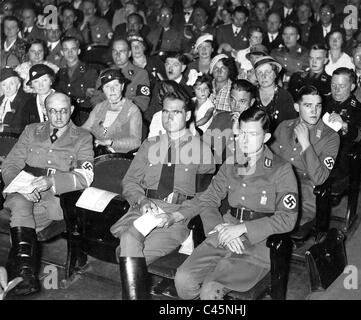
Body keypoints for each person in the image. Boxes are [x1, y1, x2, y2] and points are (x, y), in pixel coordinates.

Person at [174, 106, 298, 300]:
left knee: (210, 289)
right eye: (242, 133)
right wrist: (221, 228)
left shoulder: (281, 169)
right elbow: (208, 199)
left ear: (265, 137)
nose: (245, 140)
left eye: (253, 134)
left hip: (258, 244)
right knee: (183, 279)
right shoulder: (232, 163)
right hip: (224, 233)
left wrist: (242, 229)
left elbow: (287, 218)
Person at [109, 89, 215, 300]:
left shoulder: (202, 151)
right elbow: (130, 181)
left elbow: (205, 197)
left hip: (175, 218)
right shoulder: (150, 145)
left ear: (187, 116)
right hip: (142, 211)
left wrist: (176, 216)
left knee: (126, 252)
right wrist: (142, 199)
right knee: (130, 249)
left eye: (175, 112)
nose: (169, 117)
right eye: (165, 112)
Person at [1, 92, 94, 296]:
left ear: (71, 110)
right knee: (20, 203)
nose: (58, 116)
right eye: (53, 111)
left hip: (56, 199)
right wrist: (21, 186)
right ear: (45, 111)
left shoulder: (83, 137)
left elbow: (85, 176)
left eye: (63, 111)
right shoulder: (31, 130)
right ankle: (25, 275)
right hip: (23, 190)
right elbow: (10, 164)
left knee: (20, 214)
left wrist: (51, 181)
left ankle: (19, 272)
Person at [272, 85, 340, 227]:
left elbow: (319, 178)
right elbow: (269, 160)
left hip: (303, 194)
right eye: (308, 106)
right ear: (297, 107)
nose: (314, 111)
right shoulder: (284, 126)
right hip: (275, 187)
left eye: (318, 106)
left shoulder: (330, 136)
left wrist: (306, 144)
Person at [324, 67, 361, 191]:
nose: (336, 90)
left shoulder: (360, 111)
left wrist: (345, 125)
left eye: (341, 86)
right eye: (333, 85)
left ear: (352, 87)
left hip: (339, 159)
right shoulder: (322, 103)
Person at [82, 68, 142, 155]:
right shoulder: (99, 107)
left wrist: (110, 142)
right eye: (107, 86)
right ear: (103, 89)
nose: (112, 90)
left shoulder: (132, 110)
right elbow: (85, 129)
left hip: (120, 158)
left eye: (116, 85)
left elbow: (136, 142)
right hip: (97, 155)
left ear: (122, 86)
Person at [253, 56, 297, 134]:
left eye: (268, 72)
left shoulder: (285, 96)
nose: (264, 76)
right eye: (260, 73)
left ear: (275, 74)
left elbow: (291, 124)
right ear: (256, 76)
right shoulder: (251, 94)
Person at [55, 36, 99, 110]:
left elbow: (91, 96)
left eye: (73, 49)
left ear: (78, 51)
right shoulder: (61, 73)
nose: (70, 53)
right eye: (66, 50)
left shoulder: (89, 71)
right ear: (62, 52)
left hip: (84, 112)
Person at [20, 64, 56, 128]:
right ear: (32, 85)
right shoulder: (29, 104)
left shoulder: (63, 100)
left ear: (51, 81)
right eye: (36, 81)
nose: (40, 85)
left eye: (44, 80)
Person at [0, 68, 31, 134]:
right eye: (4, 85)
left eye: (11, 84)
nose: (8, 88)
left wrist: (4, 128)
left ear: (18, 85)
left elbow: (25, 129)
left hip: (13, 140)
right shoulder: (1, 100)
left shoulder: (26, 101)